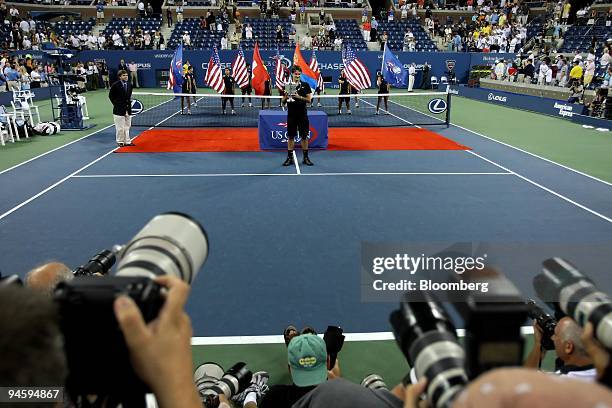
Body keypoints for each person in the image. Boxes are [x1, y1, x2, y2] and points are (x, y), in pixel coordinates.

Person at [259, 334, 332, 407]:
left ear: (289, 368)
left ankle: (251, 394)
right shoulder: (340, 397)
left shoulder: (274, 396)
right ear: (328, 362)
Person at [525, 316, 597, 381]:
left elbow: (526, 378)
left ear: (568, 347)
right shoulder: (602, 376)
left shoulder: (556, 383)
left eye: (556, 335)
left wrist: (538, 344)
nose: (552, 338)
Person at [282, 65, 313, 167]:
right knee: (291, 137)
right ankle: (289, 158)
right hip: (291, 115)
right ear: (292, 74)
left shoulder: (306, 85)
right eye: (296, 74)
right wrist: (286, 95)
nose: (297, 76)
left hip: (302, 115)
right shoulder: (288, 85)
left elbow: (309, 100)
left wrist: (298, 97)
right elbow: (282, 102)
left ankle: (305, 157)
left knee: (304, 136)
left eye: (299, 74)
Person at [108, 69, 134, 147]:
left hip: (127, 109)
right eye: (124, 75)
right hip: (118, 109)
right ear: (120, 77)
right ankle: (120, 141)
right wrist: (116, 104)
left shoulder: (130, 85)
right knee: (120, 127)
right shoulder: (115, 85)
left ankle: (127, 141)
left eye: (126, 75)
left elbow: (129, 97)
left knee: (127, 126)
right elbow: (111, 96)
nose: (126, 77)